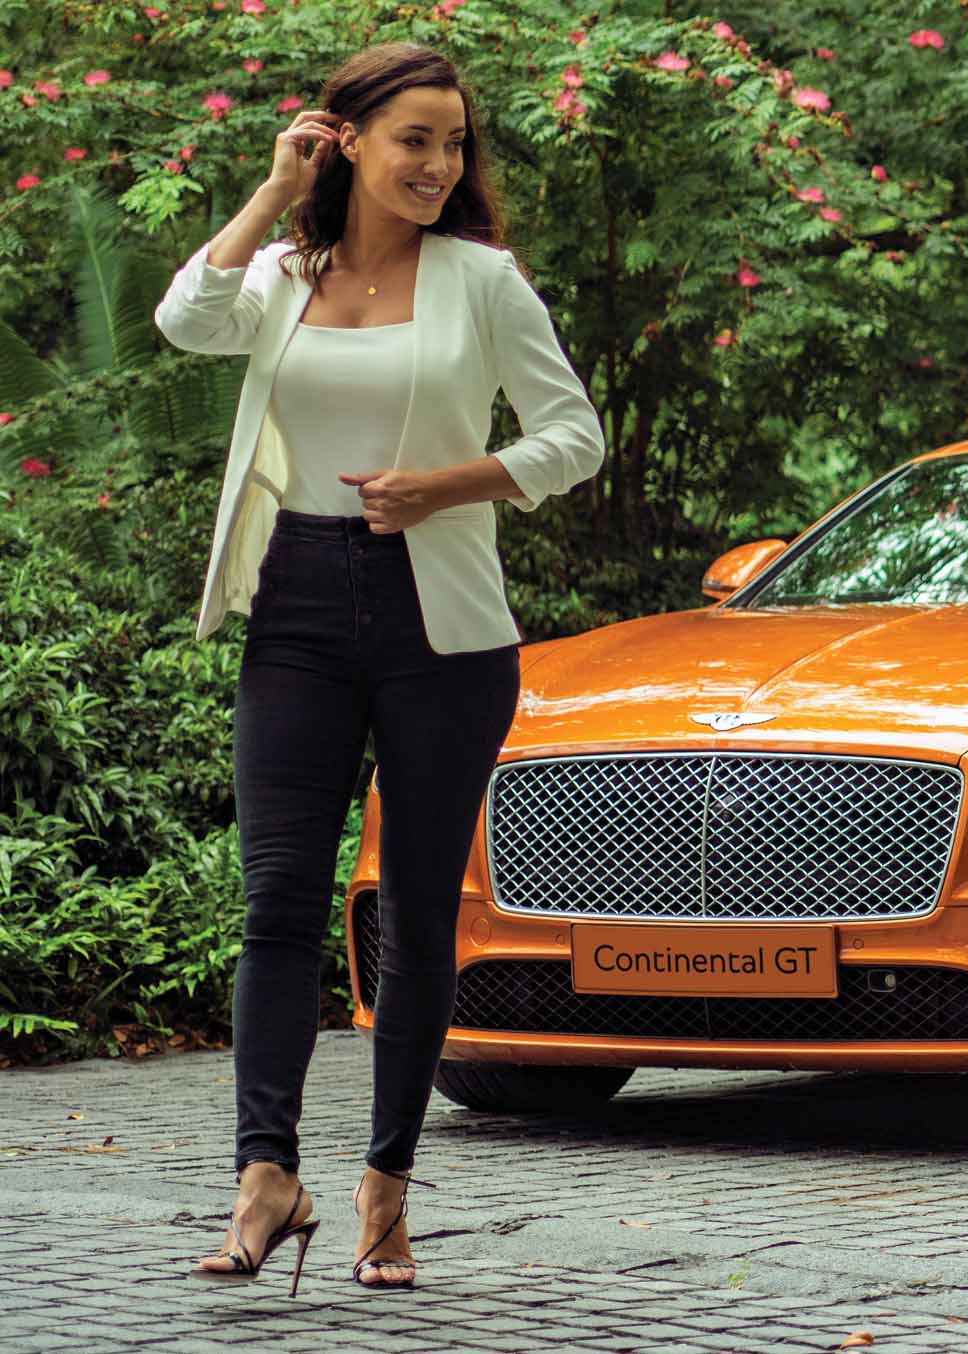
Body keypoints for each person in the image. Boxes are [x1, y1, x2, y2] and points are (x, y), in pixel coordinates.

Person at [155, 43, 604, 1288]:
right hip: (292, 602)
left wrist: (450, 483)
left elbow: (574, 436)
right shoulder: (283, 276)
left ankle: (385, 1190)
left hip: (441, 627)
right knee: (278, 899)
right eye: (413, 139)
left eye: (453, 144)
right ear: (345, 137)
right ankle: (265, 1178)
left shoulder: (483, 280)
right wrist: (267, 191)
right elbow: (184, 319)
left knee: (414, 910)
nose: (437, 166)